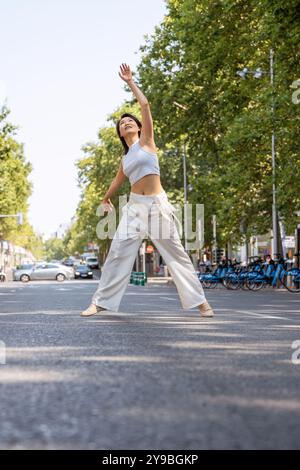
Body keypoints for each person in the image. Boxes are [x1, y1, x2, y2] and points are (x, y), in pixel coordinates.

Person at [80, 63, 214, 318]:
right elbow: (117, 183)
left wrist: (130, 82)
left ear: (139, 127)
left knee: (176, 254)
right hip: (134, 207)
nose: (127, 123)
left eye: (131, 121)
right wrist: (106, 198)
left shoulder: (147, 142)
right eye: (123, 123)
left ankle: (201, 303)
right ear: (120, 133)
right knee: (118, 252)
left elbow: (145, 105)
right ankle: (99, 303)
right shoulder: (126, 159)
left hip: (157, 205)